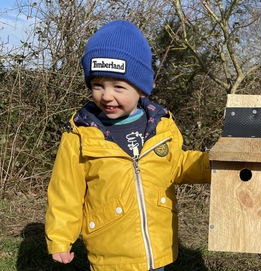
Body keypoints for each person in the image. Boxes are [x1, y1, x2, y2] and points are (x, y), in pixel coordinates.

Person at [44, 20, 211, 271]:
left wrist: (214, 165)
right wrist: (59, 238)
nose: (106, 95)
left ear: (141, 89)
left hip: (157, 250)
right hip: (110, 254)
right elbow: (65, 192)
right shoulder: (80, 136)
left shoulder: (161, 126)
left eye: (118, 87)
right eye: (97, 85)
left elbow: (177, 165)